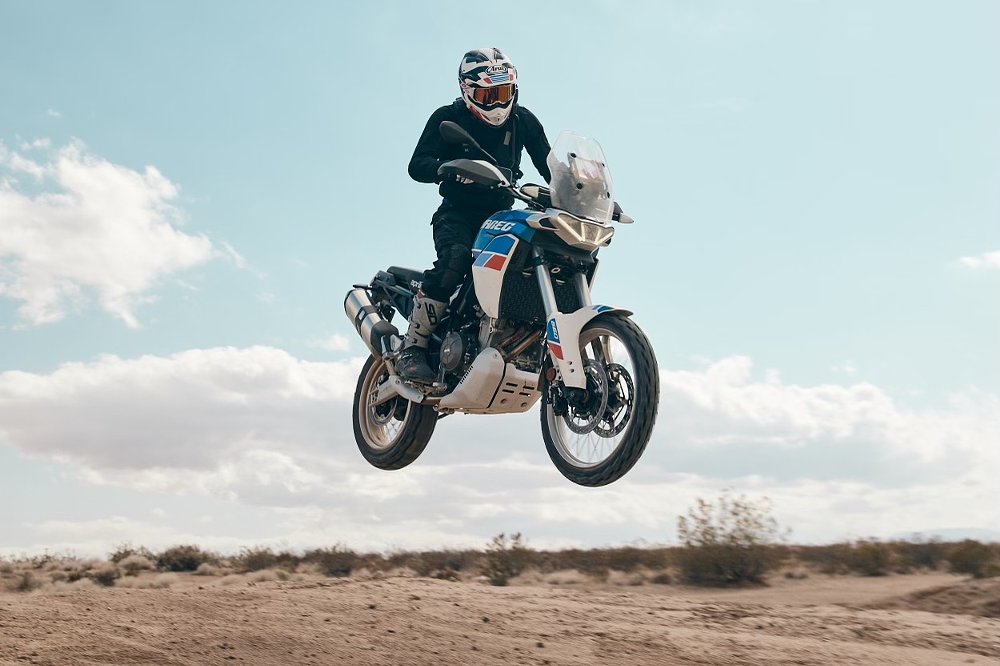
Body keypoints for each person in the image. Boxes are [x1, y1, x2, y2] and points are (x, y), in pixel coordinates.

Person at [396, 47, 553, 384]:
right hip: (457, 214)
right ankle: (413, 348)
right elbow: (417, 165)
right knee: (455, 259)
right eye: (487, 94)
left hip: (501, 216)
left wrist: (575, 192)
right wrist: (447, 169)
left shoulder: (523, 121)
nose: (496, 103)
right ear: (468, 91)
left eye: (503, 93)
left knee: (530, 269)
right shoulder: (447, 118)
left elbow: (551, 167)